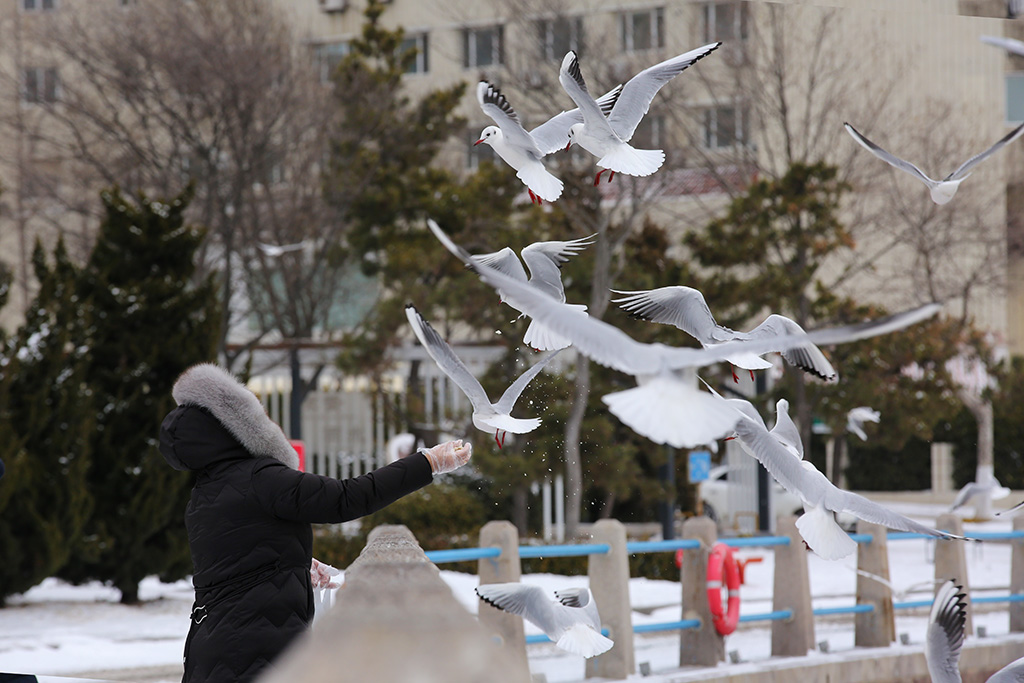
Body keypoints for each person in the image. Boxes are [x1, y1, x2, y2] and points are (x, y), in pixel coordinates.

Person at [159, 363, 471, 682]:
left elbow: (238, 562)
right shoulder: (261, 479)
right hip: (256, 652)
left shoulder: (206, 492)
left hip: (214, 648)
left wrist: (294, 563)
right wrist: (427, 463)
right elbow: (345, 498)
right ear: (237, 427)